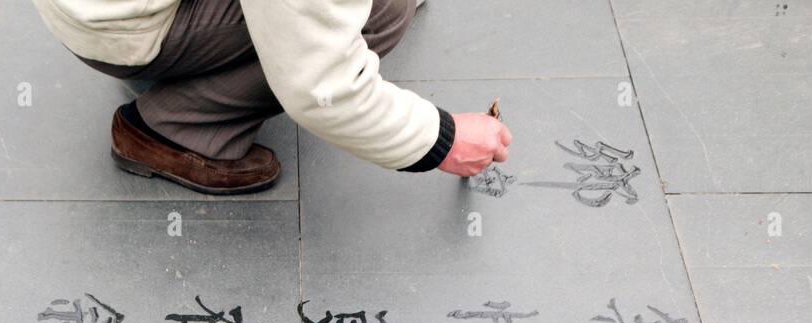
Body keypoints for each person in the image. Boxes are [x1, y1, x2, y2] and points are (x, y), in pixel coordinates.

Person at [32, 0, 512, 194]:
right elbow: (324, 85)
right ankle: (177, 127)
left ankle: (186, 61)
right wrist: (443, 139)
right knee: (380, 11)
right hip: (119, 27)